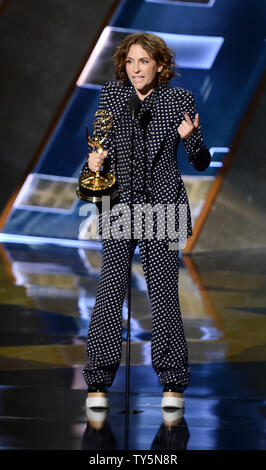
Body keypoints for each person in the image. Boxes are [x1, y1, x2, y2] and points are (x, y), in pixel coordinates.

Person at [82, 32, 211, 409]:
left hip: (162, 208)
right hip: (120, 206)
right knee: (109, 292)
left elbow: (200, 161)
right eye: (130, 62)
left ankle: (173, 382)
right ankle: (98, 381)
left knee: (164, 295)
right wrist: (92, 164)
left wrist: (192, 137)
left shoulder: (177, 100)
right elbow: (98, 151)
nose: (136, 69)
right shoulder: (112, 97)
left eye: (143, 61)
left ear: (159, 65)